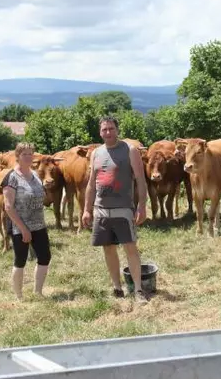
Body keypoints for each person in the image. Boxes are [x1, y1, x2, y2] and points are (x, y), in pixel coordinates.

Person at [82, 116, 149, 304]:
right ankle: (117, 287)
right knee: (108, 248)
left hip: (123, 208)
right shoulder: (95, 153)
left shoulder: (130, 150)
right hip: (101, 209)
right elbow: (91, 184)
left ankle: (137, 290)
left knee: (130, 248)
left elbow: (140, 180)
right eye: (104, 130)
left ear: (117, 130)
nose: (108, 132)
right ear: (100, 132)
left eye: (111, 129)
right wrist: (87, 209)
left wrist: (142, 206)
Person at [2, 142, 52, 300]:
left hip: (39, 224)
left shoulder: (36, 175)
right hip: (20, 227)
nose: (29, 157)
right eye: (25, 154)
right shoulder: (11, 178)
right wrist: (23, 229)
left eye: (31, 154)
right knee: (20, 261)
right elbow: (8, 207)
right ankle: (19, 296)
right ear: (17, 157)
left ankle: (38, 291)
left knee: (45, 257)